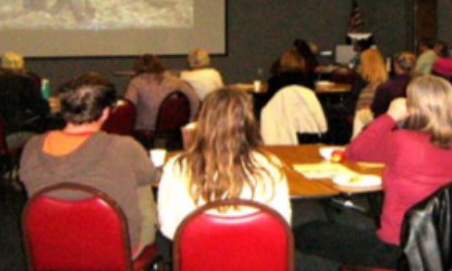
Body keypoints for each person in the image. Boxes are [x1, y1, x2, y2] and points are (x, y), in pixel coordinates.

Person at [296, 76, 452, 268]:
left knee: (307, 232)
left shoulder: (402, 141)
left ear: (413, 107)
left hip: (398, 248)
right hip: (443, 246)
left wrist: (391, 116)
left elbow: (354, 151)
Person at [20, 73, 157, 257]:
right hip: (114, 252)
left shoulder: (32, 147)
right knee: (142, 185)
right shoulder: (125, 147)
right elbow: (151, 176)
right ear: (106, 112)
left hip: (52, 250)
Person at [157, 88, 291, 240]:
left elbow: (169, 229)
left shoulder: (176, 167)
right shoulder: (270, 166)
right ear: (249, 122)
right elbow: (282, 224)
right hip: (256, 258)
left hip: (198, 261)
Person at [0, 52, 49, 191]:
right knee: (38, 137)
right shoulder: (25, 82)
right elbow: (42, 109)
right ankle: (15, 172)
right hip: (10, 136)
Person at [124, 54, 199, 132]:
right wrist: (189, 122)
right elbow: (195, 101)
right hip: (174, 131)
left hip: (146, 129)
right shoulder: (176, 81)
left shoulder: (136, 83)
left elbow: (128, 107)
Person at [370, 51, 415, 117]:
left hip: (390, 123)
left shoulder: (385, 87)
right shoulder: (418, 85)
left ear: (396, 65)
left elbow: (377, 111)